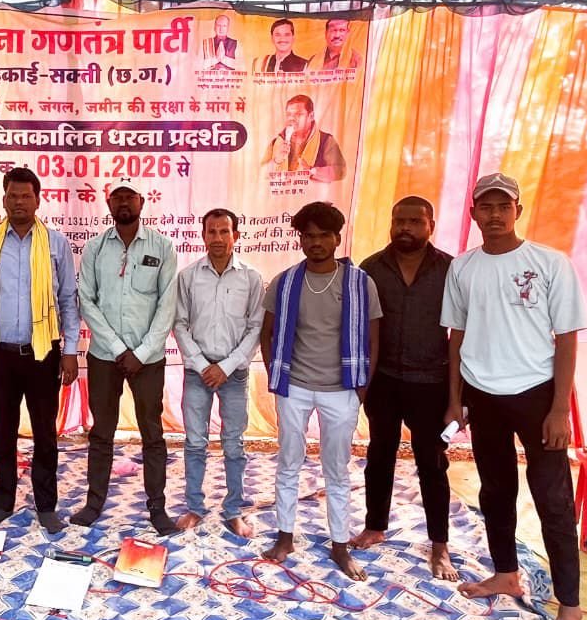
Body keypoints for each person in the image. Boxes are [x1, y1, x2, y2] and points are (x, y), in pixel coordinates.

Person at [441, 172, 587, 620]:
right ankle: (506, 573)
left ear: (517, 211)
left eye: (504, 206)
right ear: (473, 214)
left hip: (536, 395)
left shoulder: (549, 263)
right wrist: (455, 399)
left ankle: (570, 610)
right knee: (496, 490)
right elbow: (456, 337)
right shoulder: (463, 268)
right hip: (483, 395)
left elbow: (566, 338)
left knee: (553, 501)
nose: (495, 215)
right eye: (486, 207)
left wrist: (560, 409)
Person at [261, 201, 380, 580]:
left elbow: (373, 337)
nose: (315, 242)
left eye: (323, 235)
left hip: (341, 389)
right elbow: (267, 332)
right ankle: (284, 537)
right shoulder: (285, 282)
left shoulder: (359, 283)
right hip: (294, 387)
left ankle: (340, 545)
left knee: (337, 470)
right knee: (288, 462)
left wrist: (361, 388)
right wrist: (277, 377)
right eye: (308, 236)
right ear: (300, 240)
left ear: (337, 239)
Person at [0, 167, 80, 533]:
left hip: (43, 353)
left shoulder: (56, 244)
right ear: (3, 200)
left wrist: (71, 350)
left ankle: (46, 506)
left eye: (26, 196)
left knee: (45, 434)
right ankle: (3, 502)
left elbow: (68, 299)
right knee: (2, 432)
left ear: (38, 200)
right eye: (12, 196)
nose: (19, 202)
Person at [349, 197, 457, 580]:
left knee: (432, 463)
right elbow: (359, 330)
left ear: (431, 226)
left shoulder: (451, 270)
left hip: (432, 382)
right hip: (384, 380)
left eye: (415, 221)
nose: (405, 228)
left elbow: (461, 333)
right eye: (399, 221)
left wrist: (458, 397)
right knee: (380, 455)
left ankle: (439, 545)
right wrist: (360, 382)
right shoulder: (370, 269)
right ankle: (375, 526)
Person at [72, 179, 178, 534]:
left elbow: (167, 305)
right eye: (116, 197)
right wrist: (119, 349)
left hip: (148, 359)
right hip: (105, 356)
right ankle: (93, 503)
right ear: (108, 204)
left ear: (141, 202)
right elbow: (87, 301)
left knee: (152, 433)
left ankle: (157, 507)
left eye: (129, 197)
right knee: (101, 432)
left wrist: (142, 352)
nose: (123, 203)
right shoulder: (95, 248)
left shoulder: (162, 247)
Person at [173, 209, 264, 537]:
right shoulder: (188, 277)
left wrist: (225, 367)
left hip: (233, 373)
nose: (217, 238)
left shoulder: (251, 278)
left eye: (224, 231)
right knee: (195, 443)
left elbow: (256, 327)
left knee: (234, 444)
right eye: (211, 231)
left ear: (235, 236)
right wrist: (203, 365)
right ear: (203, 236)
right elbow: (179, 324)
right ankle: (195, 508)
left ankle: (233, 510)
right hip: (198, 372)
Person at [261, 94, 346, 182]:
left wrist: (311, 171)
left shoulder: (325, 141)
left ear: (311, 116)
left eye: (298, 114)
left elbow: (341, 170)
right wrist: (276, 161)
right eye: (289, 114)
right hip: (281, 190)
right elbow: (259, 174)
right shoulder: (276, 142)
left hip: (312, 190)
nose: (292, 118)